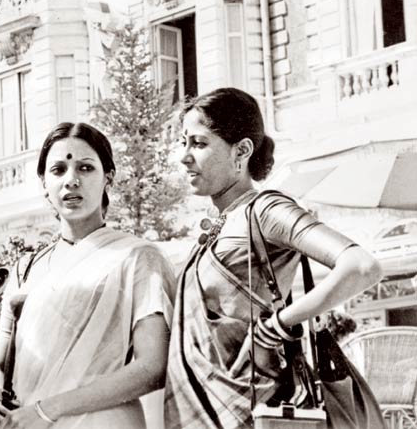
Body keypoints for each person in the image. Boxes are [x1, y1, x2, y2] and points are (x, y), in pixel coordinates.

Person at [164, 88, 382, 429]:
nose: (185, 156)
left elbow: (362, 267)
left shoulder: (265, 210)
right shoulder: (219, 227)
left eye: (199, 143)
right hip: (203, 409)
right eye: (183, 143)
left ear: (242, 151)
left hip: (253, 408)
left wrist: (276, 326)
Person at [0, 122, 176, 429]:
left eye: (85, 168)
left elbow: (153, 366)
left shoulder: (137, 257)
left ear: (108, 176)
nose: (71, 181)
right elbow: (0, 362)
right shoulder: (26, 268)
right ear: (44, 182)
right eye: (58, 170)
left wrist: (49, 409)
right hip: (26, 422)